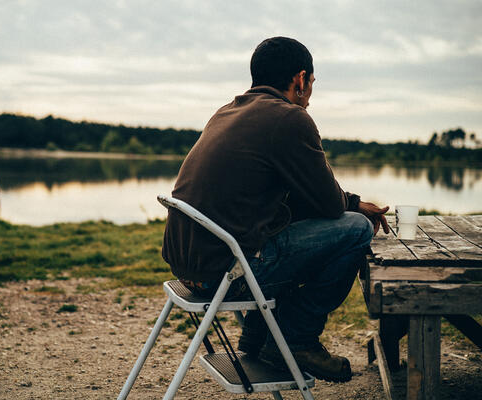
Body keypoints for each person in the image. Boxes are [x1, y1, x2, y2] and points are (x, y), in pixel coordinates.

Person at [161, 36, 390, 383]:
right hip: (225, 274)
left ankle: (259, 337)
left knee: (292, 223)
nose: (310, 93)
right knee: (355, 229)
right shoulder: (289, 119)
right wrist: (357, 207)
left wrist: (353, 201)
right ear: (300, 80)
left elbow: (299, 199)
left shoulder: (228, 111)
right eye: (312, 83)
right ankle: (298, 339)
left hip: (189, 266)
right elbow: (328, 204)